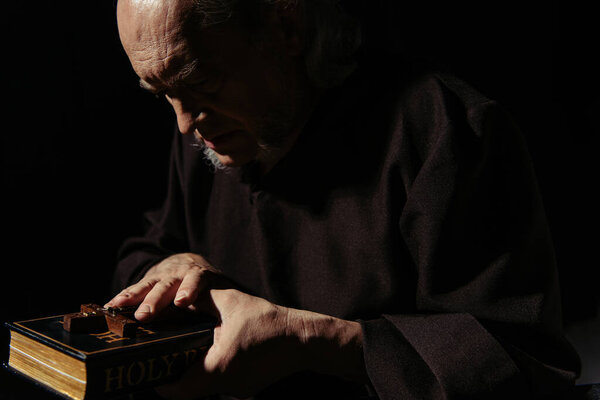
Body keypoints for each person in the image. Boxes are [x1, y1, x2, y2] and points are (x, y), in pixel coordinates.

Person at [106, 0, 581, 398]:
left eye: (202, 82)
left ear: (285, 27)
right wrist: (168, 265)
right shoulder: (212, 131)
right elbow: (144, 251)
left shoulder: (446, 132)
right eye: (163, 93)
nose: (185, 123)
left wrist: (311, 339)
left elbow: (524, 364)